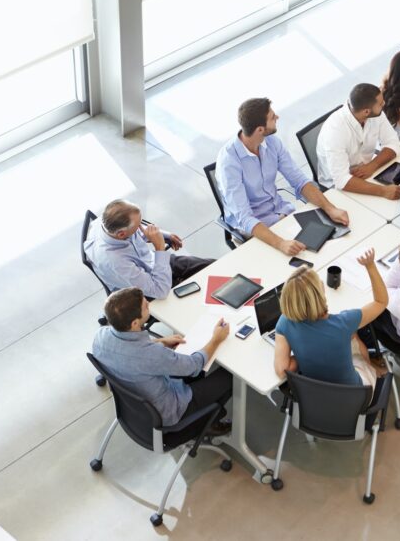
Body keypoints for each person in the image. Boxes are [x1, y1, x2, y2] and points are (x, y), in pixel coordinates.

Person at [216, 98, 350, 257]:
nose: (277, 117)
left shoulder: (271, 142)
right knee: (299, 261)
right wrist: (281, 243)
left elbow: (299, 180)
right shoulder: (228, 163)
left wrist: (330, 208)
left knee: (330, 245)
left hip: (280, 211)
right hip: (254, 228)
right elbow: (245, 218)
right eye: (273, 117)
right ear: (260, 129)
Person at [92, 287, 233, 438]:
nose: (149, 304)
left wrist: (161, 342)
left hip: (137, 407)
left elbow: (130, 351)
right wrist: (216, 339)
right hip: (171, 410)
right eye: (146, 306)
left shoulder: (100, 336)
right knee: (230, 375)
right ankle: (208, 423)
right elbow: (194, 366)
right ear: (134, 323)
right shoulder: (150, 355)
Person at [273, 249, 386, 387]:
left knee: (348, 335)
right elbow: (381, 302)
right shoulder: (345, 322)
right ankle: (373, 369)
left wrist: (306, 353)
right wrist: (370, 266)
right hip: (356, 398)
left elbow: (281, 370)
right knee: (353, 336)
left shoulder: (284, 322)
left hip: (315, 397)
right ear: (320, 294)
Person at [84, 200, 214, 300]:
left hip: (152, 262)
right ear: (122, 234)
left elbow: (139, 230)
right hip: (143, 290)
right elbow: (160, 291)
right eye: (138, 226)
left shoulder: (107, 220)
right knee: (200, 292)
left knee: (212, 267)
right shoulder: (115, 262)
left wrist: (164, 235)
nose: (142, 227)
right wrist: (159, 248)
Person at [316, 83, 400, 200]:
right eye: (380, 104)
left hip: (368, 173)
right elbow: (341, 180)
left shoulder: (376, 114)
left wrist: (372, 166)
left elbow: (393, 143)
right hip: (338, 188)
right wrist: (383, 191)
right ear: (366, 112)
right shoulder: (335, 130)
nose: (384, 104)